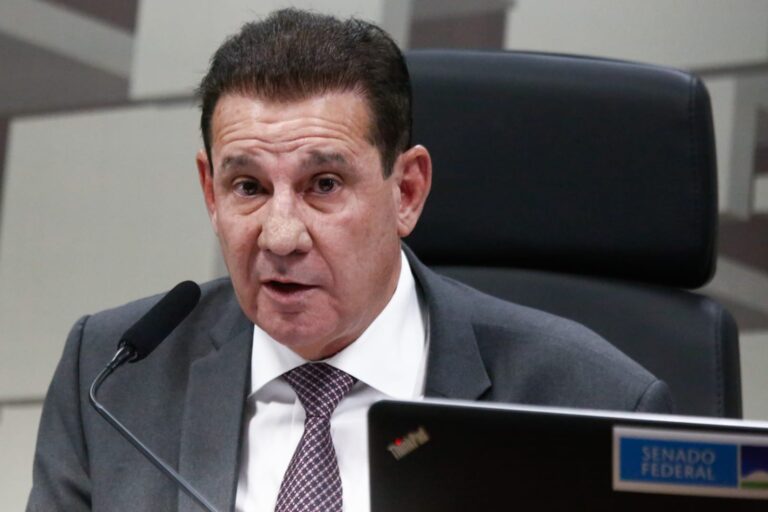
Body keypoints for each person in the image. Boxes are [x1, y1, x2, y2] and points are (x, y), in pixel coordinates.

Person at [27, 8, 672, 512]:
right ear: (210, 191)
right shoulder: (114, 377)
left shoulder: (592, 403)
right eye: (248, 186)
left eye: (325, 184)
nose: (281, 235)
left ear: (407, 191)